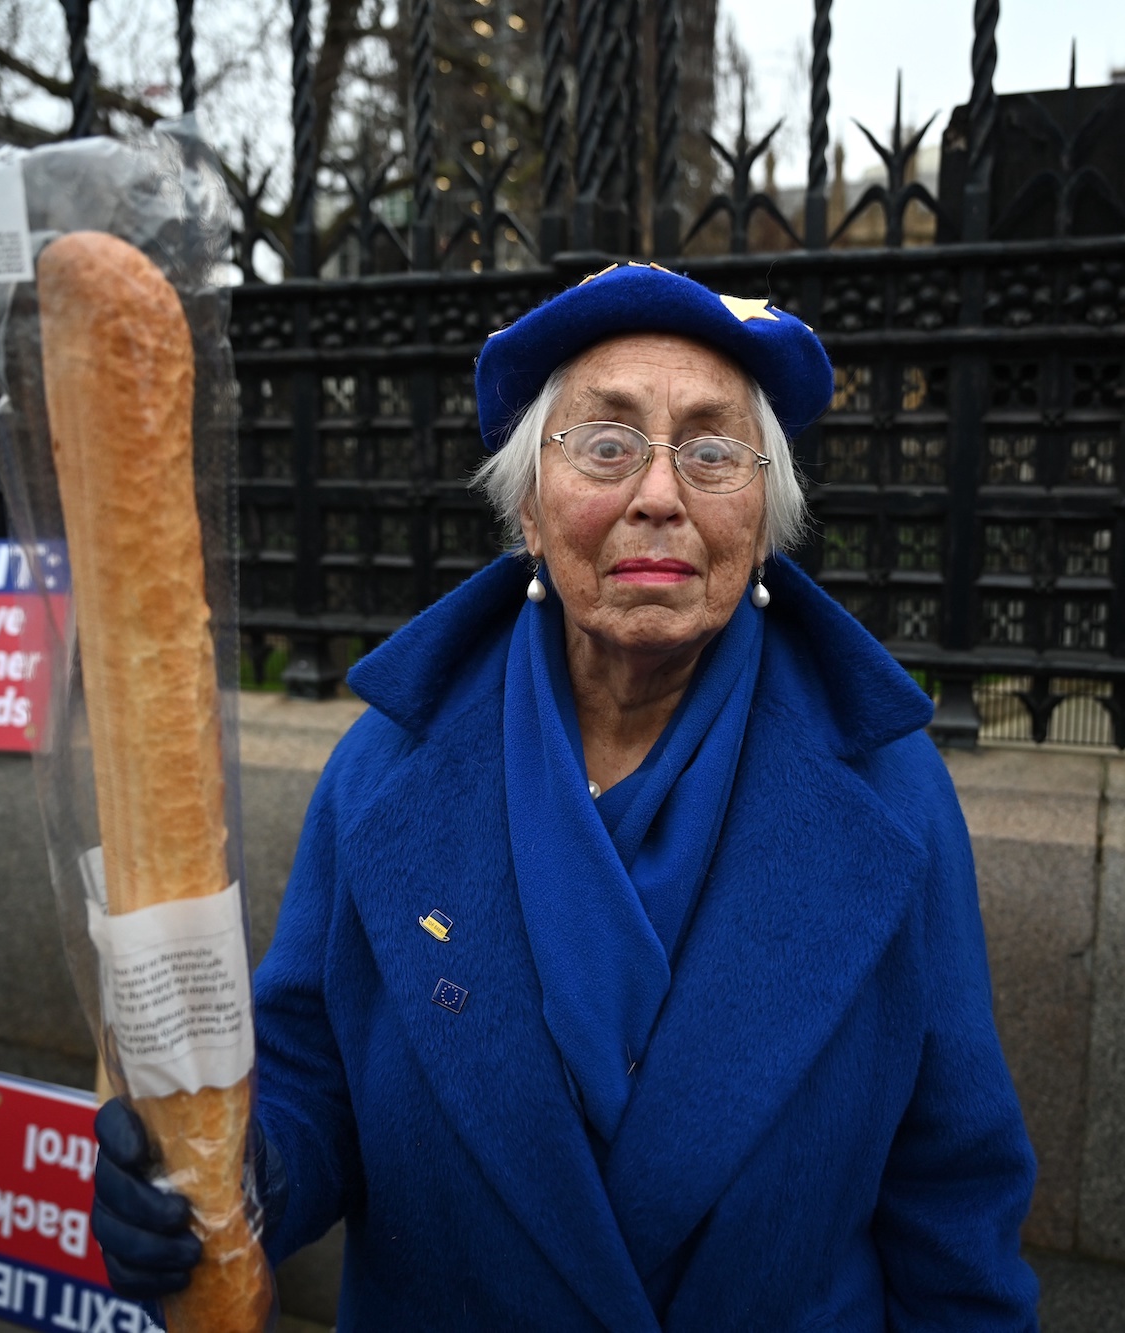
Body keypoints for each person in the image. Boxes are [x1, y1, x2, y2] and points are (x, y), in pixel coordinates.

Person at [92, 261, 1041, 1331]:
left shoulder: (891, 795)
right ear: (531, 513)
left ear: (764, 520)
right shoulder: (383, 772)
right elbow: (313, 1079)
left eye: (714, 451)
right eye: (605, 444)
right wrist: (224, 1179)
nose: (658, 494)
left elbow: (953, 1187)